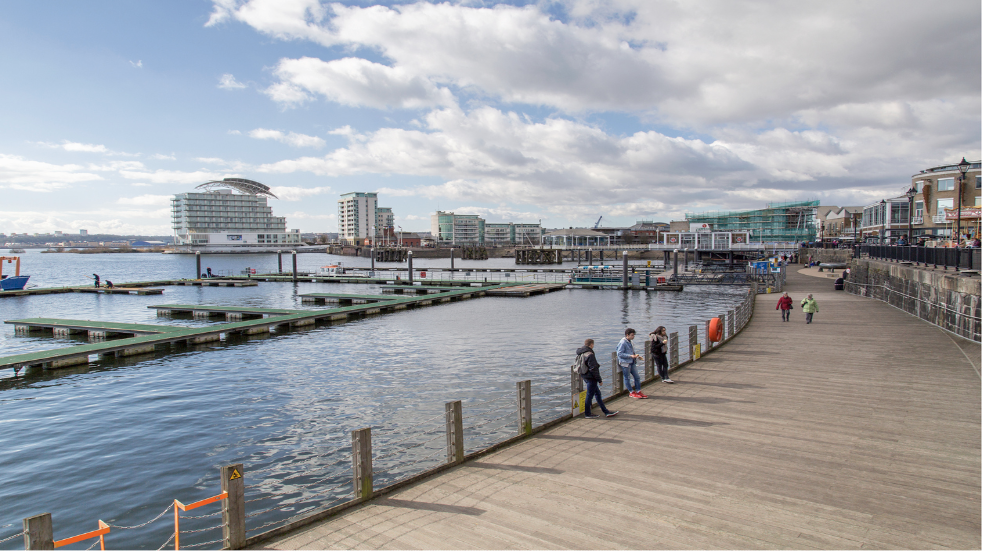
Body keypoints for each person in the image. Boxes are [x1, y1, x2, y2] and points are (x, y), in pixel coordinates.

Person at [576, 339, 618, 419]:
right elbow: (593, 369)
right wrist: (600, 380)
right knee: (590, 395)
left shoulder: (581, 352)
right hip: (591, 378)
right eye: (593, 344)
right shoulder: (590, 354)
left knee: (597, 394)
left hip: (584, 375)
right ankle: (588, 413)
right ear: (591, 344)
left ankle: (606, 411)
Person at [617, 328, 646, 398]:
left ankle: (638, 391)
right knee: (627, 378)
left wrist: (635, 356)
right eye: (632, 335)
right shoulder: (622, 342)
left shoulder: (631, 342)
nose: (633, 337)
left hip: (632, 362)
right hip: (625, 363)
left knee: (637, 377)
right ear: (627, 335)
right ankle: (631, 392)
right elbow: (619, 354)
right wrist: (630, 356)